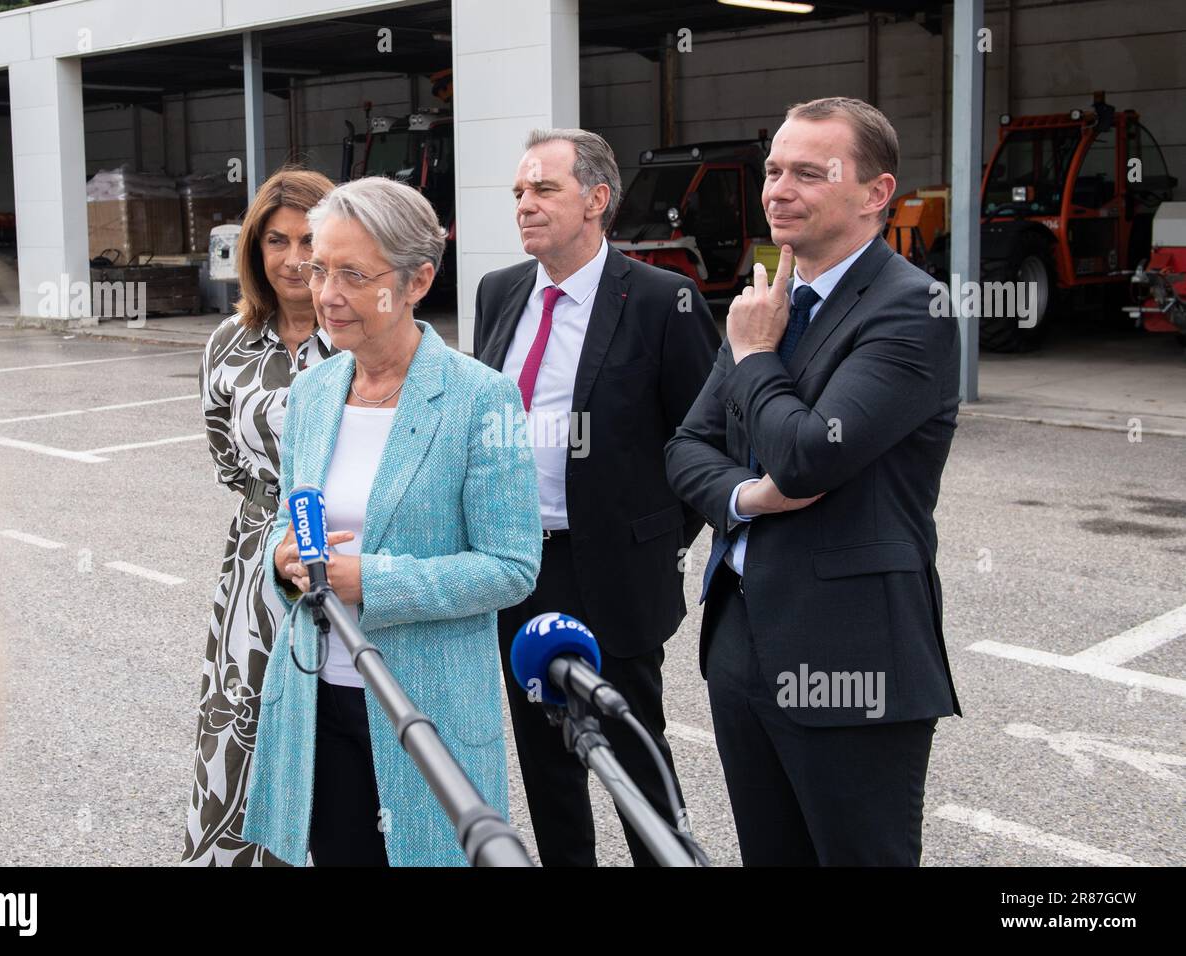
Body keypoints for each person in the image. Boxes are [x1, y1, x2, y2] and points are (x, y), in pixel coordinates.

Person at [665, 97, 962, 866]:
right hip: (739, 642)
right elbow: (686, 448)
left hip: (849, 654)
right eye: (772, 170)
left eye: (807, 172)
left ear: (875, 193)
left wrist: (758, 358)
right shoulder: (770, 302)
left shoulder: (913, 309)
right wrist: (748, 497)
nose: (777, 189)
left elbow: (808, 455)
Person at [242, 176, 542, 867]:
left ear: (416, 281)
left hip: (424, 710)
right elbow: (295, 527)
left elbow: (512, 566)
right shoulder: (316, 389)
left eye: (353, 274)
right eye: (320, 269)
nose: (326, 293)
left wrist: (371, 580)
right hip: (319, 698)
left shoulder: (481, 397)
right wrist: (284, 563)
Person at [473, 128, 719, 866]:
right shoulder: (500, 292)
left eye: (544, 189)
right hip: (516, 561)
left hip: (611, 567)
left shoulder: (659, 301)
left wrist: (659, 538)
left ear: (597, 200)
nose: (525, 204)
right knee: (545, 755)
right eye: (519, 191)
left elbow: (705, 437)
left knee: (631, 752)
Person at [182, 167, 335, 866]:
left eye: (310, 238)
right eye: (277, 240)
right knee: (244, 722)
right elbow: (224, 454)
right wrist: (269, 519)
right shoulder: (229, 343)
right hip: (253, 567)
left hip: (347, 552)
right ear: (254, 249)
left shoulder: (365, 338)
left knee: (337, 731)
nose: (295, 257)